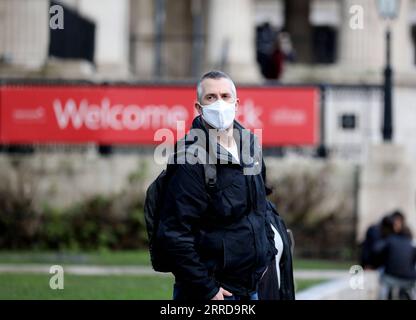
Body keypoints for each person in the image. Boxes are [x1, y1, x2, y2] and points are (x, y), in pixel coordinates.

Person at [156, 70, 294, 301]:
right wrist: (206, 288)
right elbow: (173, 234)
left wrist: (266, 255)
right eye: (210, 97)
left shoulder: (250, 147)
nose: (219, 103)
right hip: (214, 293)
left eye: (225, 96)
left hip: (252, 287)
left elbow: (260, 210)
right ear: (199, 107)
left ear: (236, 103)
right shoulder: (190, 159)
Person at [372, 211, 416, 300]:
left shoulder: (389, 239)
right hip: (410, 277)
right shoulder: (410, 241)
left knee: (382, 272)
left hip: (391, 277)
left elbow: (376, 250)